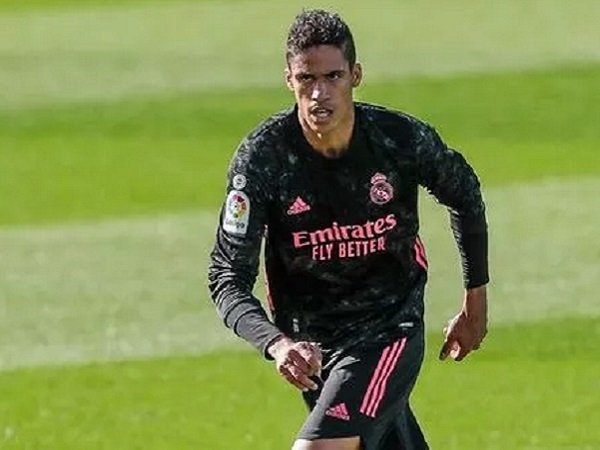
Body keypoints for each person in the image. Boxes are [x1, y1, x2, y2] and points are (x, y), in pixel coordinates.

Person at [208, 9, 489, 450]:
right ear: (289, 80)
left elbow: (465, 195)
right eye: (306, 79)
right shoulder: (263, 158)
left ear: (355, 75)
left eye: (333, 76)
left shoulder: (398, 140)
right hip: (312, 348)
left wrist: (476, 302)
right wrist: (277, 345)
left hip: (389, 327)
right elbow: (226, 277)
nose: (320, 93)